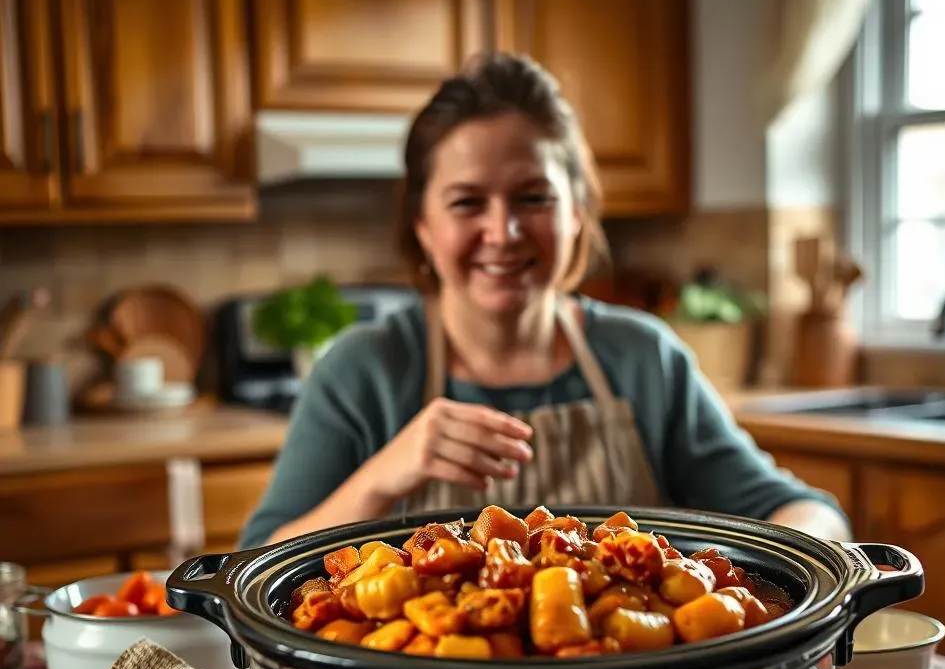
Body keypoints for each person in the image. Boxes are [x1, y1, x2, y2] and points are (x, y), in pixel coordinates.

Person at [239, 53, 850, 550]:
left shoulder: (642, 358)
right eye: (467, 203)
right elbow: (254, 567)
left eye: (533, 198)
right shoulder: (362, 372)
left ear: (576, 215)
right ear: (422, 225)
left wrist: (808, 571)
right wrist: (381, 477)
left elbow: (805, 514)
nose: (503, 232)